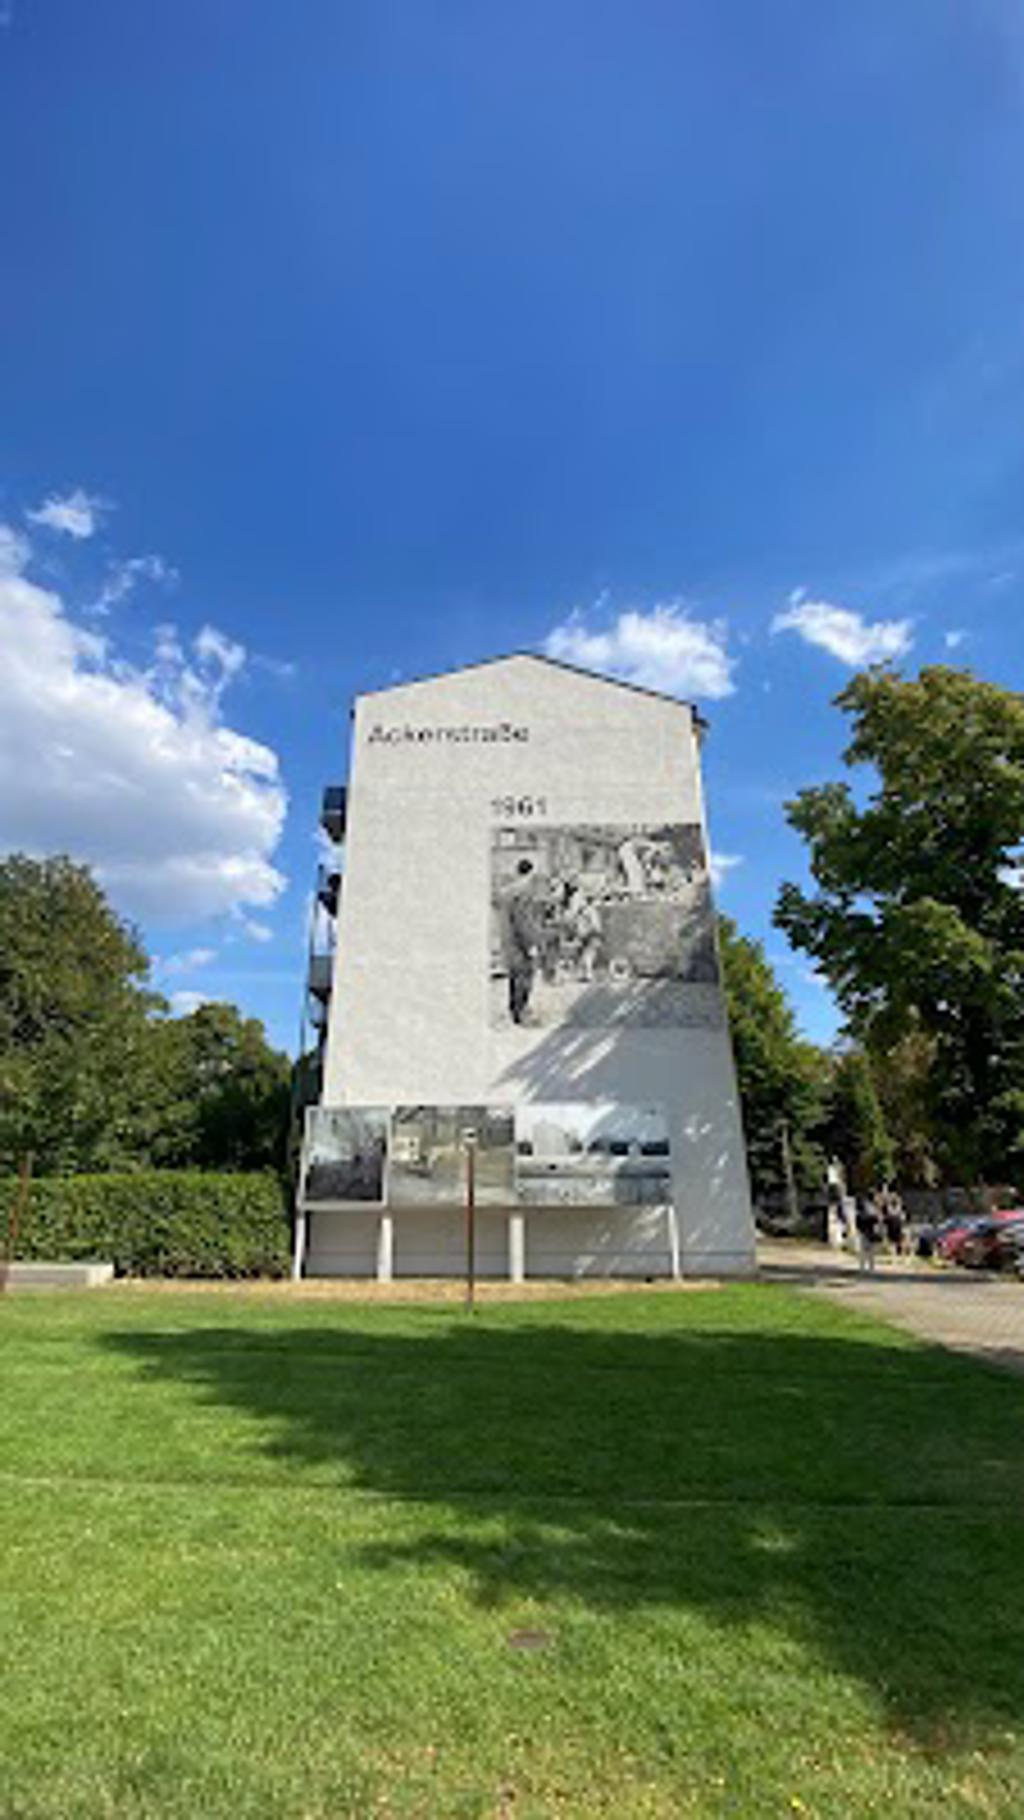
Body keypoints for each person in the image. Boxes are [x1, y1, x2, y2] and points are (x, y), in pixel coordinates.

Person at [499, 858, 543, 1025]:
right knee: (525, 976)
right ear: (531, 873)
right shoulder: (525, 891)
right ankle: (521, 1014)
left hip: (508, 941)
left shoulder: (507, 890)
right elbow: (523, 922)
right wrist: (531, 945)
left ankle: (514, 1011)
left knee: (514, 977)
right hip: (520, 943)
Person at [855, 1193, 882, 1274]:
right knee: (868, 1250)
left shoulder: (869, 1207)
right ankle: (868, 1267)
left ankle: (865, 1267)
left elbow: (860, 1219)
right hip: (868, 1230)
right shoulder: (871, 1207)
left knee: (866, 1250)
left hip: (865, 1230)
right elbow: (874, 1218)